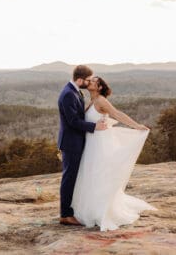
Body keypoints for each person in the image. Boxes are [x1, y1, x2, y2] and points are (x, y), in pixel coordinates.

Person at [71, 76, 157, 231]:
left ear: (99, 87)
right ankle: (91, 208)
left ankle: (102, 210)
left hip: (100, 144)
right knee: (91, 175)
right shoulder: (91, 100)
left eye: (93, 81)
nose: (89, 81)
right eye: (89, 80)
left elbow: (117, 114)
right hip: (92, 143)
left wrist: (136, 125)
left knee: (100, 175)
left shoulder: (101, 101)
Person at [57, 65, 107, 226]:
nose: (89, 82)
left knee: (73, 177)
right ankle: (65, 215)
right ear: (80, 80)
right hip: (71, 142)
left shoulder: (75, 91)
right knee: (69, 178)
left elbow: (81, 114)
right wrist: (94, 127)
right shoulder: (68, 95)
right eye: (87, 80)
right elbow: (73, 121)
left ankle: (70, 211)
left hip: (76, 141)